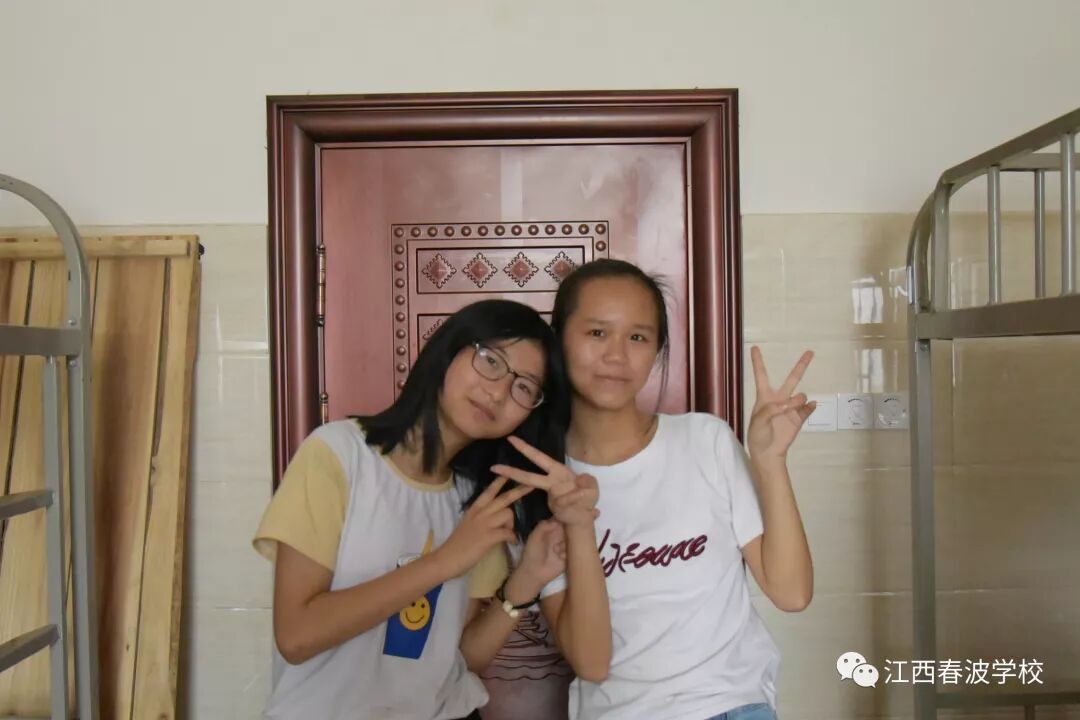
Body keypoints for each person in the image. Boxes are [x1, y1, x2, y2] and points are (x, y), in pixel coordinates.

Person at [252, 299, 602, 720]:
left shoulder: (479, 501)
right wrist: (446, 561)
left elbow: (456, 659)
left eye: (524, 387)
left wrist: (523, 584)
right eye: (491, 361)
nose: (497, 392)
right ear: (448, 350)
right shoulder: (339, 455)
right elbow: (297, 636)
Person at [495, 260, 815, 720]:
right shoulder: (541, 481)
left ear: (658, 350)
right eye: (597, 333)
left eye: (638, 338)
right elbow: (591, 663)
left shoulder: (705, 440)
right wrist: (577, 523)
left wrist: (770, 460)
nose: (617, 356)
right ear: (560, 339)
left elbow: (792, 592)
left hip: (729, 706)